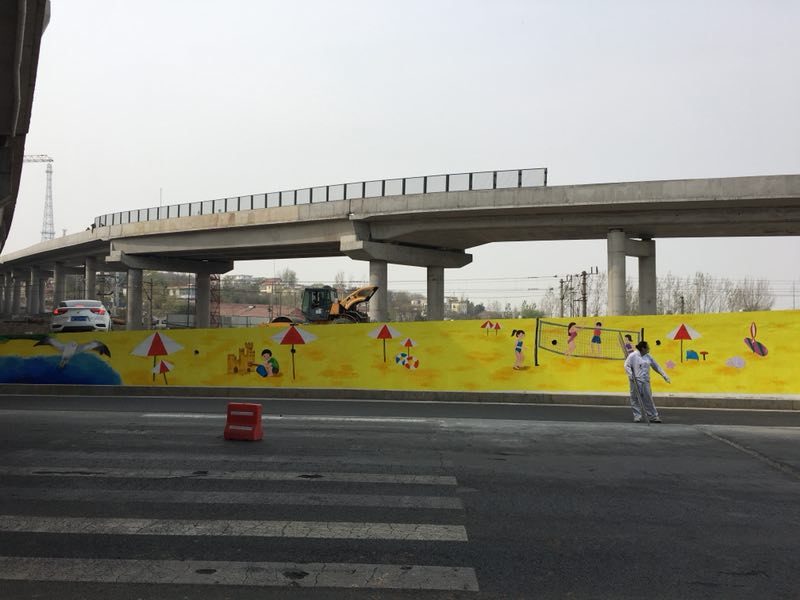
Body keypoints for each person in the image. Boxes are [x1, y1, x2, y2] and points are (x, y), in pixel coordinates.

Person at [624, 340, 670, 423]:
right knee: (635, 398)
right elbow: (626, 365)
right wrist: (631, 376)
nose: (649, 349)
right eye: (647, 347)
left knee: (648, 398)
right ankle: (637, 416)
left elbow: (656, 366)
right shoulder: (633, 355)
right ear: (643, 348)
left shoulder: (648, 356)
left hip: (645, 380)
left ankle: (653, 416)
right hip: (635, 380)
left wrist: (664, 376)